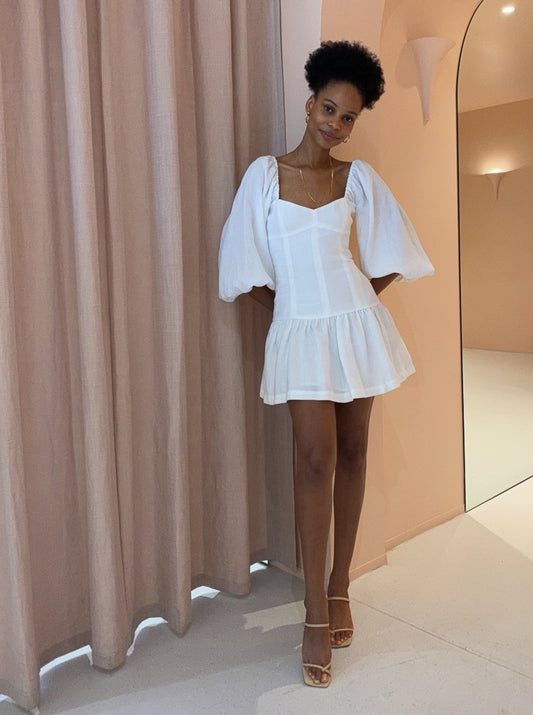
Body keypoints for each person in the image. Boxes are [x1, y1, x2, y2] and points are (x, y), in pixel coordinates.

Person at [218, 40, 434, 688]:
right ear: (310, 101)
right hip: (300, 329)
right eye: (330, 108)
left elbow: (397, 248)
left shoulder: (355, 179)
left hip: (355, 323)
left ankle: (340, 585)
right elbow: (241, 265)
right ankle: (314, 609)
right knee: (314, 458)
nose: (336, 124)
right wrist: (288, 309)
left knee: (354, 451)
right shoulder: (265, 176)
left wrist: (361, 300)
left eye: (348, 118)